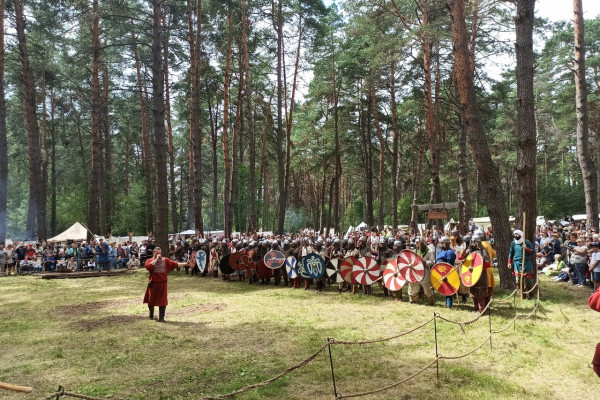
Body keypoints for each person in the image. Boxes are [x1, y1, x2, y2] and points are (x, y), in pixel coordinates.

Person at [143, 247, 189, 322]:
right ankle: (151, 316)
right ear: (153, 253)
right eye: (157, 253)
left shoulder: (165, 260)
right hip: (153, 284)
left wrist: (186, 264)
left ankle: (161, 318)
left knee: (162, 301)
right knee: (151, 300)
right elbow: (149, 267)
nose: (159, 254)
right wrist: (156, 259)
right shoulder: (149, 261)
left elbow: (175, 264)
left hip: (162, 284)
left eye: (160, 253)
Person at [508, 229, 535, 299]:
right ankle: (522, 295)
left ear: (521, 235)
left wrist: (526, 248)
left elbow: (533, 251)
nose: (516, 236)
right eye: (515, 234)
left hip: (526, 263)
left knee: (529, 281)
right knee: (518, 281)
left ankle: (531, 295)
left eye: (517, 234)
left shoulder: (526, 242)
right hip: (517, 263)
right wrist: (509, 262)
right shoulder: (513, 243)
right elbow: (511, 253)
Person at [436, 236, 456, 308]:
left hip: (448, 272)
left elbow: (449, 264)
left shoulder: (450, 252)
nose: (441, 244)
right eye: (440, 243)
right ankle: (447, 302)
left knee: (448, 287)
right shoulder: (441, 251)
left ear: (446, 243)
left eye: (442, 243)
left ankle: (449, 304)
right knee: (444, 287)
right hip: (440, 272)